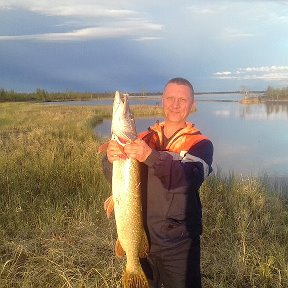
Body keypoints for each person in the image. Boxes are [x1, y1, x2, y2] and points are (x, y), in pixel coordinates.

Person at [103, 77, 213, 287]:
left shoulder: (200, 144)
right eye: (170, 98)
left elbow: (188, 181)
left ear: (193, 104)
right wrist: (110, 160)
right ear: (162, 101)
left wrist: (151, 157)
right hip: (141, 235)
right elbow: (116, 179)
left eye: (182, 99)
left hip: (179, 244)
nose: (175, 104)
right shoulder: (143, 138)